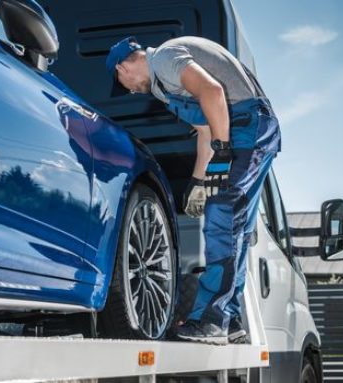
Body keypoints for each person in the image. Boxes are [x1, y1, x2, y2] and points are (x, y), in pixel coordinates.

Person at [105, 36, 281, 345]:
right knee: (234, 227)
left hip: (248, 128)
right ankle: (230, 319)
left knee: (222, 214)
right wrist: (199, 183)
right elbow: (204, 129)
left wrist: (223, 151)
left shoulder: (163, 58)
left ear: (123, 67)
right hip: (246, 129)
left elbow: (213, 92)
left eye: (124, 83)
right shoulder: (163, 85)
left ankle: (211, 320)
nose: (130, 90)